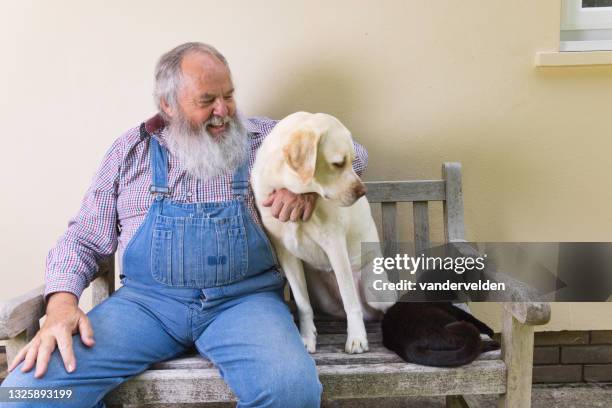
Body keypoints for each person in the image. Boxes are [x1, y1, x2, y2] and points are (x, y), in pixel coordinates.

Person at [0, 42, 368, 408]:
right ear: (168, 105)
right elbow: (83, 238)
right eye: (206, 100)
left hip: (244, 302)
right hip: (145, 306)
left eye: (229, 95)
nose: (222, 111)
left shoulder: (265, 140)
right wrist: (62, 305)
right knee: (26, 394)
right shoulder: (130, 151)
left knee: (291, 392)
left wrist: (310, 189)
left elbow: (356, 152)